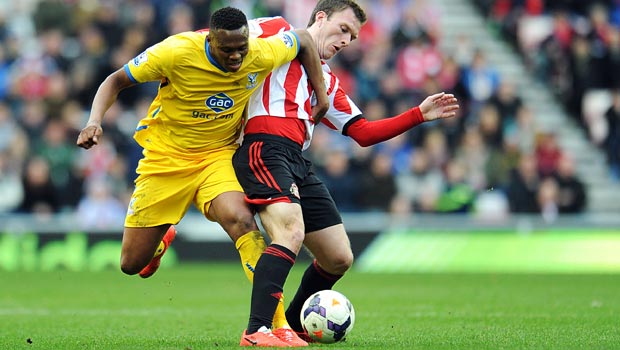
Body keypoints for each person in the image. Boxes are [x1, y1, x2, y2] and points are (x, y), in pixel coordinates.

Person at [76, 6, 328, 346]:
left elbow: (304, 40)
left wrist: (322, 95)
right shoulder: (176, 51)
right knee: (131, 264)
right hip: (165, 161)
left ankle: (273, 325)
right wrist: (94, 121)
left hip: (217, 157)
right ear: (210, 39)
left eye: (242, 47)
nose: (237, 56)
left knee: (241, 221)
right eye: (228, 50)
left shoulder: (261, 50)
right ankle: (160, 242)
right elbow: (115, 80)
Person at [232, 0, 459, 346]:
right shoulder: (277, 31)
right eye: (343, 29)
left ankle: (291, 326)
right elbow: (222, 37)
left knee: (339, 257)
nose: (346, 40)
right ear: (321, 17)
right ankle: (258, 329)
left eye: (352, 37)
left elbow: (363, 132)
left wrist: (418, 114)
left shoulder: (325, 79)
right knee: (290, 231)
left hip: (296, 158)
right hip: (262, 146)